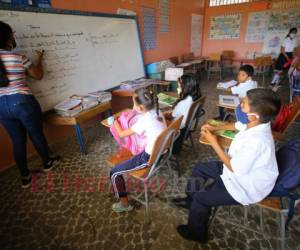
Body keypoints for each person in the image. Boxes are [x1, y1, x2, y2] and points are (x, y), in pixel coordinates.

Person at [173, 88, 281, 243]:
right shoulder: (255, 123)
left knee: (201, 198)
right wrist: (214, 128)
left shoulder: (258, 141)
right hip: (238, 168)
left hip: (246, 185)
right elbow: (236, 125)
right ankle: (190, 201)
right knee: (199, 169)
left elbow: (233, 167)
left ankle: (196, 233)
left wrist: (213, 141)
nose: (240, 106)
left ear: (253, 116)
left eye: (243, 104)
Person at [0, 21, 60, 188]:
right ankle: (47, 163)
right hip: (22, 101)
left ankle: (25, 177)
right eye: (12, 33)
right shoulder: (19, 57)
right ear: (7, 37)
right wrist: (39, 59)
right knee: (36, 134)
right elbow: (38, 75)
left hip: (1, 106)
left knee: (17, 141)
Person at [110, 88, 167, 213]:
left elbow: (121, 134)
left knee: (114, 172)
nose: (133, 106)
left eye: (134, 103)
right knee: (136, 142)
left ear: (141, 107)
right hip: (161, 153)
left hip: (148, 158)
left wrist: (115, 122)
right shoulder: (157, 112)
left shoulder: (145, 120)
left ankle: (124, 204)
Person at [164, 74, 202, 155]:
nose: (177, 88)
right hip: (185, 126)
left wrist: (164, 114)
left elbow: (172, 115)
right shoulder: (194, 97)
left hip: (177, 129)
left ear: (186, 88)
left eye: (179, 86)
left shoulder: (183, 103)